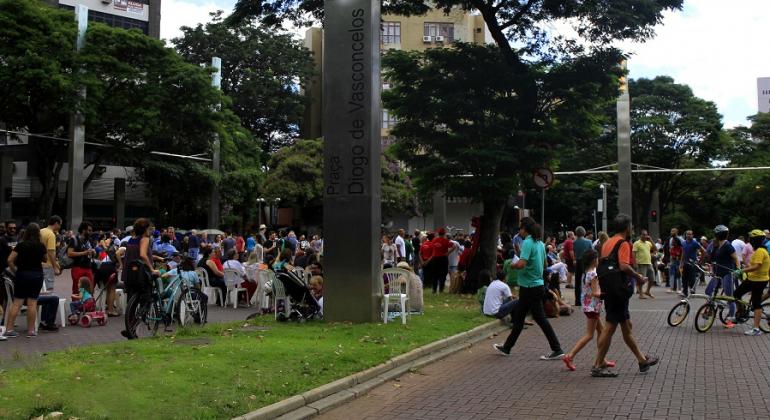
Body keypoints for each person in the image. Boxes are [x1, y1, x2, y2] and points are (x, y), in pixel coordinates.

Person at [591, 214, 658, 378]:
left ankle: (642, 360)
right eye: (631, 227)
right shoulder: (624, 243)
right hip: (619, 290)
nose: (632, 229)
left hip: (610, 289)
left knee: (626, 326)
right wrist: (638, 277)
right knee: (610, 327)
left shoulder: (607, 243)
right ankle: (598, 364)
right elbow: (624, 266)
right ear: (627, 227)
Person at [493, 217, 564, 360]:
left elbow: (521, 264)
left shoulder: (527, 243)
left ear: (525, 229)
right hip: (536, 285)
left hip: (529, 286)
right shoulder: (539, 243)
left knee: (539, 318)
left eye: (520, 228)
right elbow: (544, 263)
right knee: (520, 317)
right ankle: (507, 347)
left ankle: (557, 349)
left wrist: (511, 265)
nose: (519, 231)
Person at [562, 250, 615, 371]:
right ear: (594, 260)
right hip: (592, 307)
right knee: (589, 335)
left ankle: (601, 359)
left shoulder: (587, 272)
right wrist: (608, 294)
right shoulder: (594, 274)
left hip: (588, 306)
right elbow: (596, 293)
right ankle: (570, 356)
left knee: (601, 332)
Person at [4, 223, 48, 338]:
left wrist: (16, 270)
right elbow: (45, 259)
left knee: (17, 303)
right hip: (36, 275)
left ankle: (9, 329)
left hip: (22, 275)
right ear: (38, 233)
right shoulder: (41, 246)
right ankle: (30, 331)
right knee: (32, 303)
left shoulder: (21, 245)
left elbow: (9, 260)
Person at [735, 230, 769, 336]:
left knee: (756, 303)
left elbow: (756, 266)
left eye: (751, 239)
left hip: (760, 280)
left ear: (756, 240)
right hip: (752, 278)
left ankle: (756, 329)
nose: (749, 240)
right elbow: (753, 266)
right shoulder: (759, 250)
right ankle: (741, 313)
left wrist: (742, 270)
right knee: (736, 293)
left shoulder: (760, 251)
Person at [705, 225, 740, 327]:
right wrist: (710, 268)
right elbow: (713, 259)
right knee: (708, 291)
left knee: (729, 297)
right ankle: (716, 306)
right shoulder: (716, 245)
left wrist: (738, 269)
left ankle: (731, 319)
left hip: (727, 273)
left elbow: (736, 258)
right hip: (718, 273)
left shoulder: (728, 245)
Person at [67, 221, 96, 294]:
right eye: (89, 230)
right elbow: (69, 253)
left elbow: (93, 253)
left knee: (89, 289)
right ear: (83, 230)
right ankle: (76, 305)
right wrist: (84, 253)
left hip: (88, 267)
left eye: (91, 230)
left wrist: (94, 252)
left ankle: (87, 304)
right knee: (77, 289)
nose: (90, 232)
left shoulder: (89, 240)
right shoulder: (74, 239)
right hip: (78, 267)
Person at [429, 228, 456, 293]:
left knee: (434, 274)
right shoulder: (446, 241)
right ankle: (441, 289)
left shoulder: (434, 240)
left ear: (438, 233)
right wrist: (448, 253)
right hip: (443, 258)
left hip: (435, 259)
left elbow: (432, 248)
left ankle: (434, 289)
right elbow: (454, 246)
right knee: (443, 274)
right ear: (444, 234)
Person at [40, 215, 62, 291]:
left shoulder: (41, 231)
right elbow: (51, 252)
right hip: (48, 265)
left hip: (39, 264)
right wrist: (55, 267)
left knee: (41, 288)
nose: (59, 227)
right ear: (56, 223)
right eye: (60, 225)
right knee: (48, 289)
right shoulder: (51, 235)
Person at [679, 230, 703, 297]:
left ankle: (693, 292)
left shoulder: (695, 243)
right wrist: (681, 263)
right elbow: (683, 253)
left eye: (690, 234)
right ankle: (685, 293)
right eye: (688, 234)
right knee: (684, 279)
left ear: (692, 235)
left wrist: (700, 260)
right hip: (685, 263)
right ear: (686, 235)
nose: (689, 235)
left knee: (692, 279)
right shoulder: (683, 243)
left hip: (692, 264)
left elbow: (703, 251)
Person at [573, 227, 593, 304]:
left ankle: (577, 301)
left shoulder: (574, 242)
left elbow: (574, 253)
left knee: (577, 282)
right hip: (586, 262)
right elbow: (592, 252)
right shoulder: (589, 242)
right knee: (588, 280)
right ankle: (588, 299)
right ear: (584, 233)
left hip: (578, 262)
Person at [632, 230, 655, 299]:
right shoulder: (637, 243)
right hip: (641, 264)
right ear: (640, 235)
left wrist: (651, 240)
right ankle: (641, 294)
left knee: (652, 279)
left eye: (646, 235)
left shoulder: (648, 243)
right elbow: (633, 254)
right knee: (641, 280)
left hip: (649, 263)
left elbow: (655, 248)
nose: (645, 236)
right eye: (643, 235)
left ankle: (647, 291)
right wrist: (635, 263)